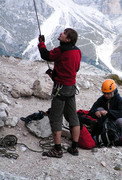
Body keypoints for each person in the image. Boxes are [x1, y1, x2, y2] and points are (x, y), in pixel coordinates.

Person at [38, 28, 81, 158]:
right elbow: (76, 68)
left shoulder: (61, 50)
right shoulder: (77, 51)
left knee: (56, 118)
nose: (61, 34)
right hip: (71, 88)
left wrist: (41, 43)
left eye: (64, 34)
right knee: (73, 117)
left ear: (67, 39)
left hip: (60, 89)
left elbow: (46, 55)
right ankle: (74, 147)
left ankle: (57, 149)